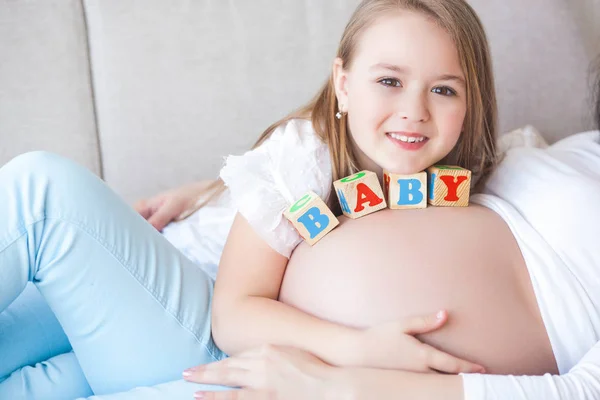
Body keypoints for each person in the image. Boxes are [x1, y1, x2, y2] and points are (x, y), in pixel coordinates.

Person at [181, 64, 600, 399]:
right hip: (235, 303)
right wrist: (215, 192)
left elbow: (582, 392)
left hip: (293, 375)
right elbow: (489, 157)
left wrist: (338, 388)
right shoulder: (580, 147)